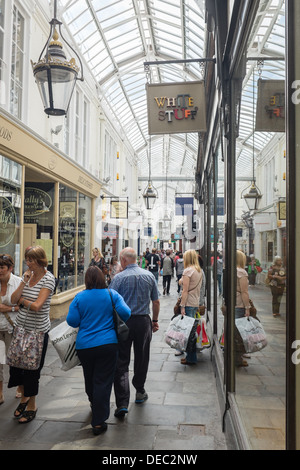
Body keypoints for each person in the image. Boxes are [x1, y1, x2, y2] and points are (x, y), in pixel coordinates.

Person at [67, 266, 131, 435]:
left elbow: (72, 321)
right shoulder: (111, 295)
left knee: (90, 378)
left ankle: (93, 402)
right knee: (102, 381)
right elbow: (126, 313)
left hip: (85, 347)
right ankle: (98, 421)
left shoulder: (79, 297)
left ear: (86, 280)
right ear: (103, 278)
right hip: (107, 344)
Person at [110, 247, 160, 418]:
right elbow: (156, 301)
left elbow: (111, 302)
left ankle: (122, 402)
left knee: (121, 361)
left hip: (123, 323)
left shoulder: (118, 278)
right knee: (142, 357)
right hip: (143, 321)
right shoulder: (149, 275)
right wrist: (154, 320)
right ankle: (140, 391)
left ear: (123, 260)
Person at [9, 246, 56, 423]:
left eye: (30, 260)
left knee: (31, 369)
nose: (27, 263)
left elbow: (38, 306)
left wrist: (22, 301)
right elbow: (12, 300)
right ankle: (24, 397)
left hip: (37, 332)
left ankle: (31, 405)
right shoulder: (26, 276)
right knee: (15, 366)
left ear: (39, 261)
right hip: (20, 328)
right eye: (27, 260)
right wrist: (23, 282)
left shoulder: (48, 279)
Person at [0, 255, 22, 404]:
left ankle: (21, 387)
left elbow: (22, 306)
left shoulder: (18, 282)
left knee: (14, 361)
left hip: (12, 327)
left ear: (10, 268)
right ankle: (0, 392)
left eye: (2, 267)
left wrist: (9, 308)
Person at [179, 249, 203, 365]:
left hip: (188, 303)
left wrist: (182, 306)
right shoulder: (199, 271)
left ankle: (191, 357)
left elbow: (185, 291)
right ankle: (190, 356)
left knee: (188, 332)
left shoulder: (187, 271)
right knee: (192, 330)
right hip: (195, 302)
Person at [235, 250, 251, 367]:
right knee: (239, 333)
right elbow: (244, 292)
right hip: (239, 304)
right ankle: (238, 357)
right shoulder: (241, 272)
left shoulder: (231, 270)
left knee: (233, 331)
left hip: (231, 304)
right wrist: (247, 307)